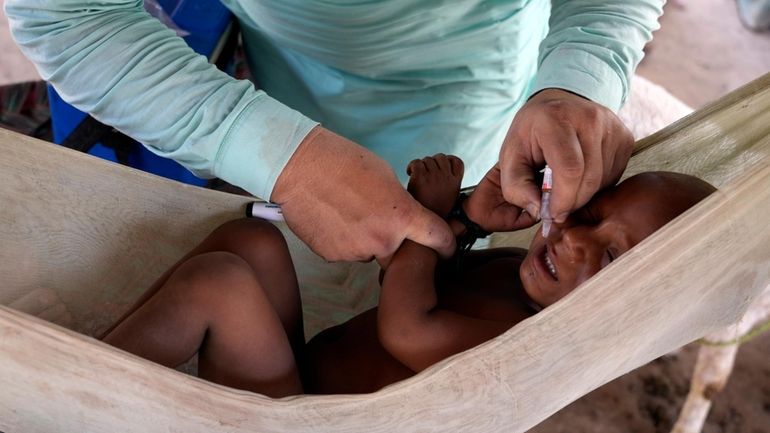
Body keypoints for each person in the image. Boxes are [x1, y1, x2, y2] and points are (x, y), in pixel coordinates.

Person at [5, 1, 663, 263]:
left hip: (474, 67)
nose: (577, 246)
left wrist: (582, 72)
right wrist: (284, 157)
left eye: (608, 254)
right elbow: (65, 15)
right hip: (289, 56)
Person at [101, 154, 715, 397]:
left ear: (632, 312)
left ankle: (62, 401)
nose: (575, 238)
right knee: (251, 240)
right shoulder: (515, 273)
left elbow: (406, 327)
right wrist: (467, 219)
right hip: (296, 376)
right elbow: (407, 278)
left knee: (221, 284)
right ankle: (82, 359)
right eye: (595, 213)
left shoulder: (528, 346)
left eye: (609, 258)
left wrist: (428, 223)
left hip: (297, 420)